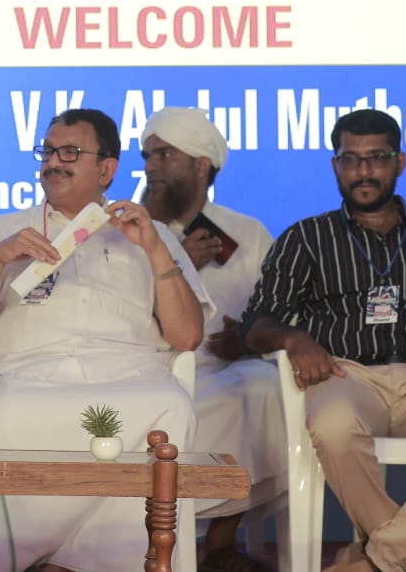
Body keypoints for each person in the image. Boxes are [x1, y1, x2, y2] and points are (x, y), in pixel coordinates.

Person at [240, 108, 406, 572]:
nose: (363, 171)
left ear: (399, 162)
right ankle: (397, 556)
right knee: (332, 424)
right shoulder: (306, 238)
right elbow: (255, 324)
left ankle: (378, 559)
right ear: (335, 166)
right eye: (350, 159)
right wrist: (292, 338)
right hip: (346, 374)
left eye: (377, 158)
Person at [0, 108, 211, 572]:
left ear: (107, 169)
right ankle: (39, 560)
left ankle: (67, 563)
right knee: (7, 411)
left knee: (171, 406)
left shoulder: (152, 234)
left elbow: (187, 337)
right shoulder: (3, 231)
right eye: (47, 151)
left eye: (70, 153)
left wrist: (154, 249)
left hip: (132, 375)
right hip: (30, 377)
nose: (52, 162)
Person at [140, 107, 281, 572]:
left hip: (223, 373)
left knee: (260, 387)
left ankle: (220, 543)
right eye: (147, 156)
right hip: (147, 371)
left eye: (164, 154)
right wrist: (179, 263)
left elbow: (280, 312)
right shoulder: (129, 230)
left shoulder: (248, 234)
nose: (151, 166)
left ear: (202, 165)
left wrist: (247, 339)